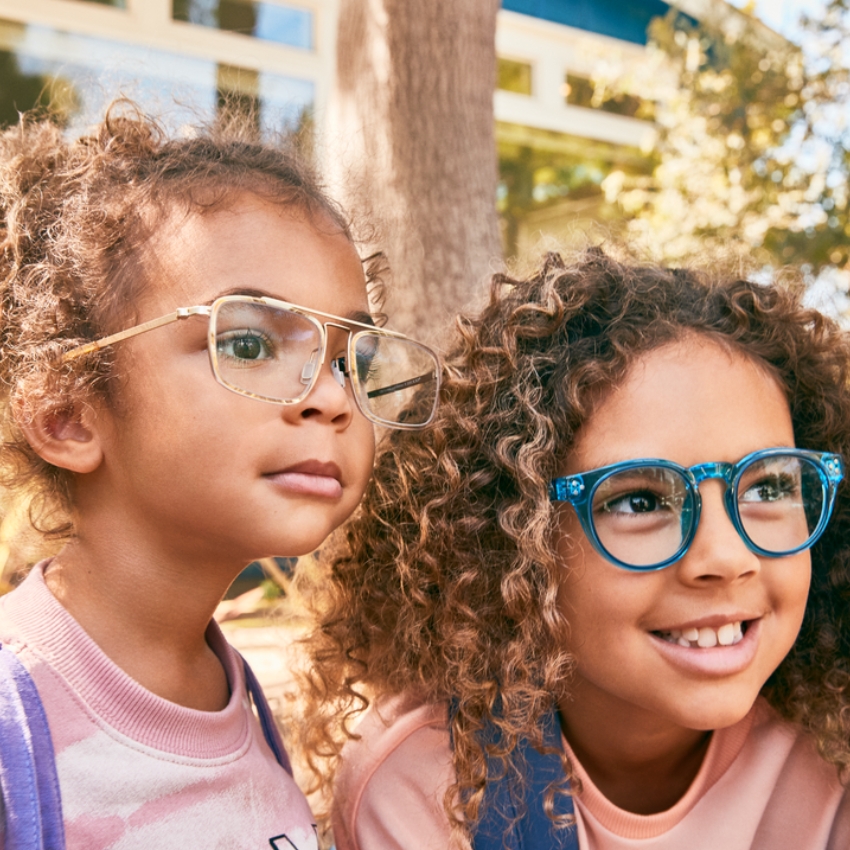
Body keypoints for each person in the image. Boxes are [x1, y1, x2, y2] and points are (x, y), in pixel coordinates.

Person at [302, 249, 850, 849]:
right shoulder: (430, 785)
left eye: (769, 485)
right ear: (513, 539)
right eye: (639, 501)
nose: (724, 557)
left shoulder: (833, 754)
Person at [0, 102, 440, 849]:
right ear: (67, 413)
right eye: (246, 343)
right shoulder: (14, 721)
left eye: (346, 359)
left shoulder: (237, 703)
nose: (334, 398)